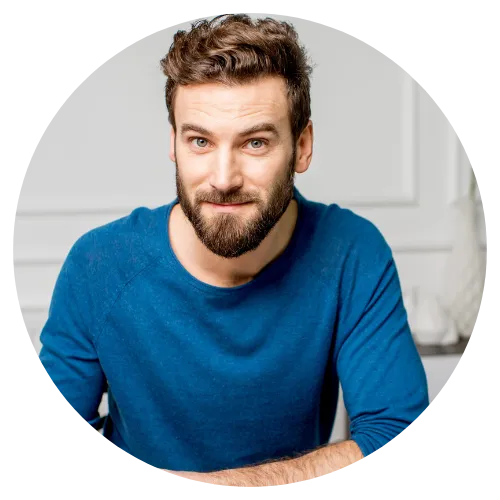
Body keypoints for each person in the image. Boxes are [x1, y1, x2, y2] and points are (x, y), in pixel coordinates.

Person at [39, 14, 430, 487]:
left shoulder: (351, 252)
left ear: (302, 146)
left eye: (255, 142)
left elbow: (394, 429)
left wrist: (214, 485)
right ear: (174, 144)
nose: (224, 178)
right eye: (200, 141)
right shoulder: (98, 265)